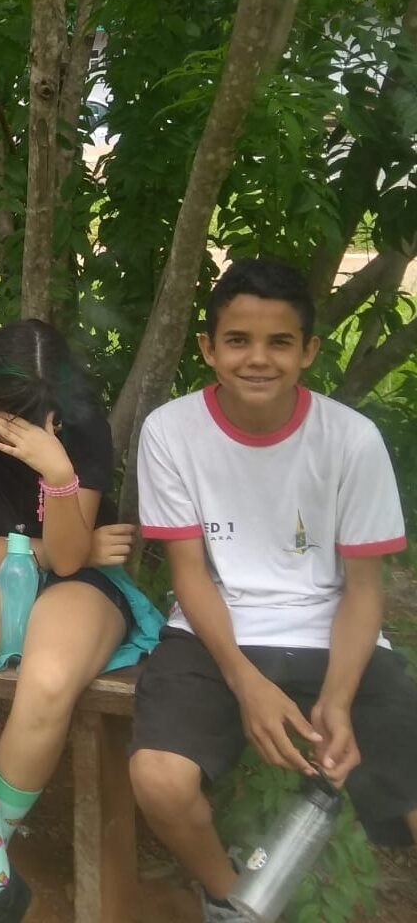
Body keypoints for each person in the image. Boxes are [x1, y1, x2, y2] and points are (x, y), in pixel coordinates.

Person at [129, 259, 415, 923]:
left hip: (333, 633)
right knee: (159, 778)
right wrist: (245, 683)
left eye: (279, 342)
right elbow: (190, 574)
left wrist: (337, 700)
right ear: (209, 348)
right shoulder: (171, 431)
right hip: (213, 632)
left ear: (309, 351)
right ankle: (232, 900)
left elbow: (364, 590)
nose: (258, 359)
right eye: (238, 340)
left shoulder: (352, 440)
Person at [0, 320, 160, 922]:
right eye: (11, 415)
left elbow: (71, 565)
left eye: (41, 418)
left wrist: (59, 474)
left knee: (47, 679)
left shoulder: (80, 424)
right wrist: (62, 548)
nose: (26, 429)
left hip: (77, 584)